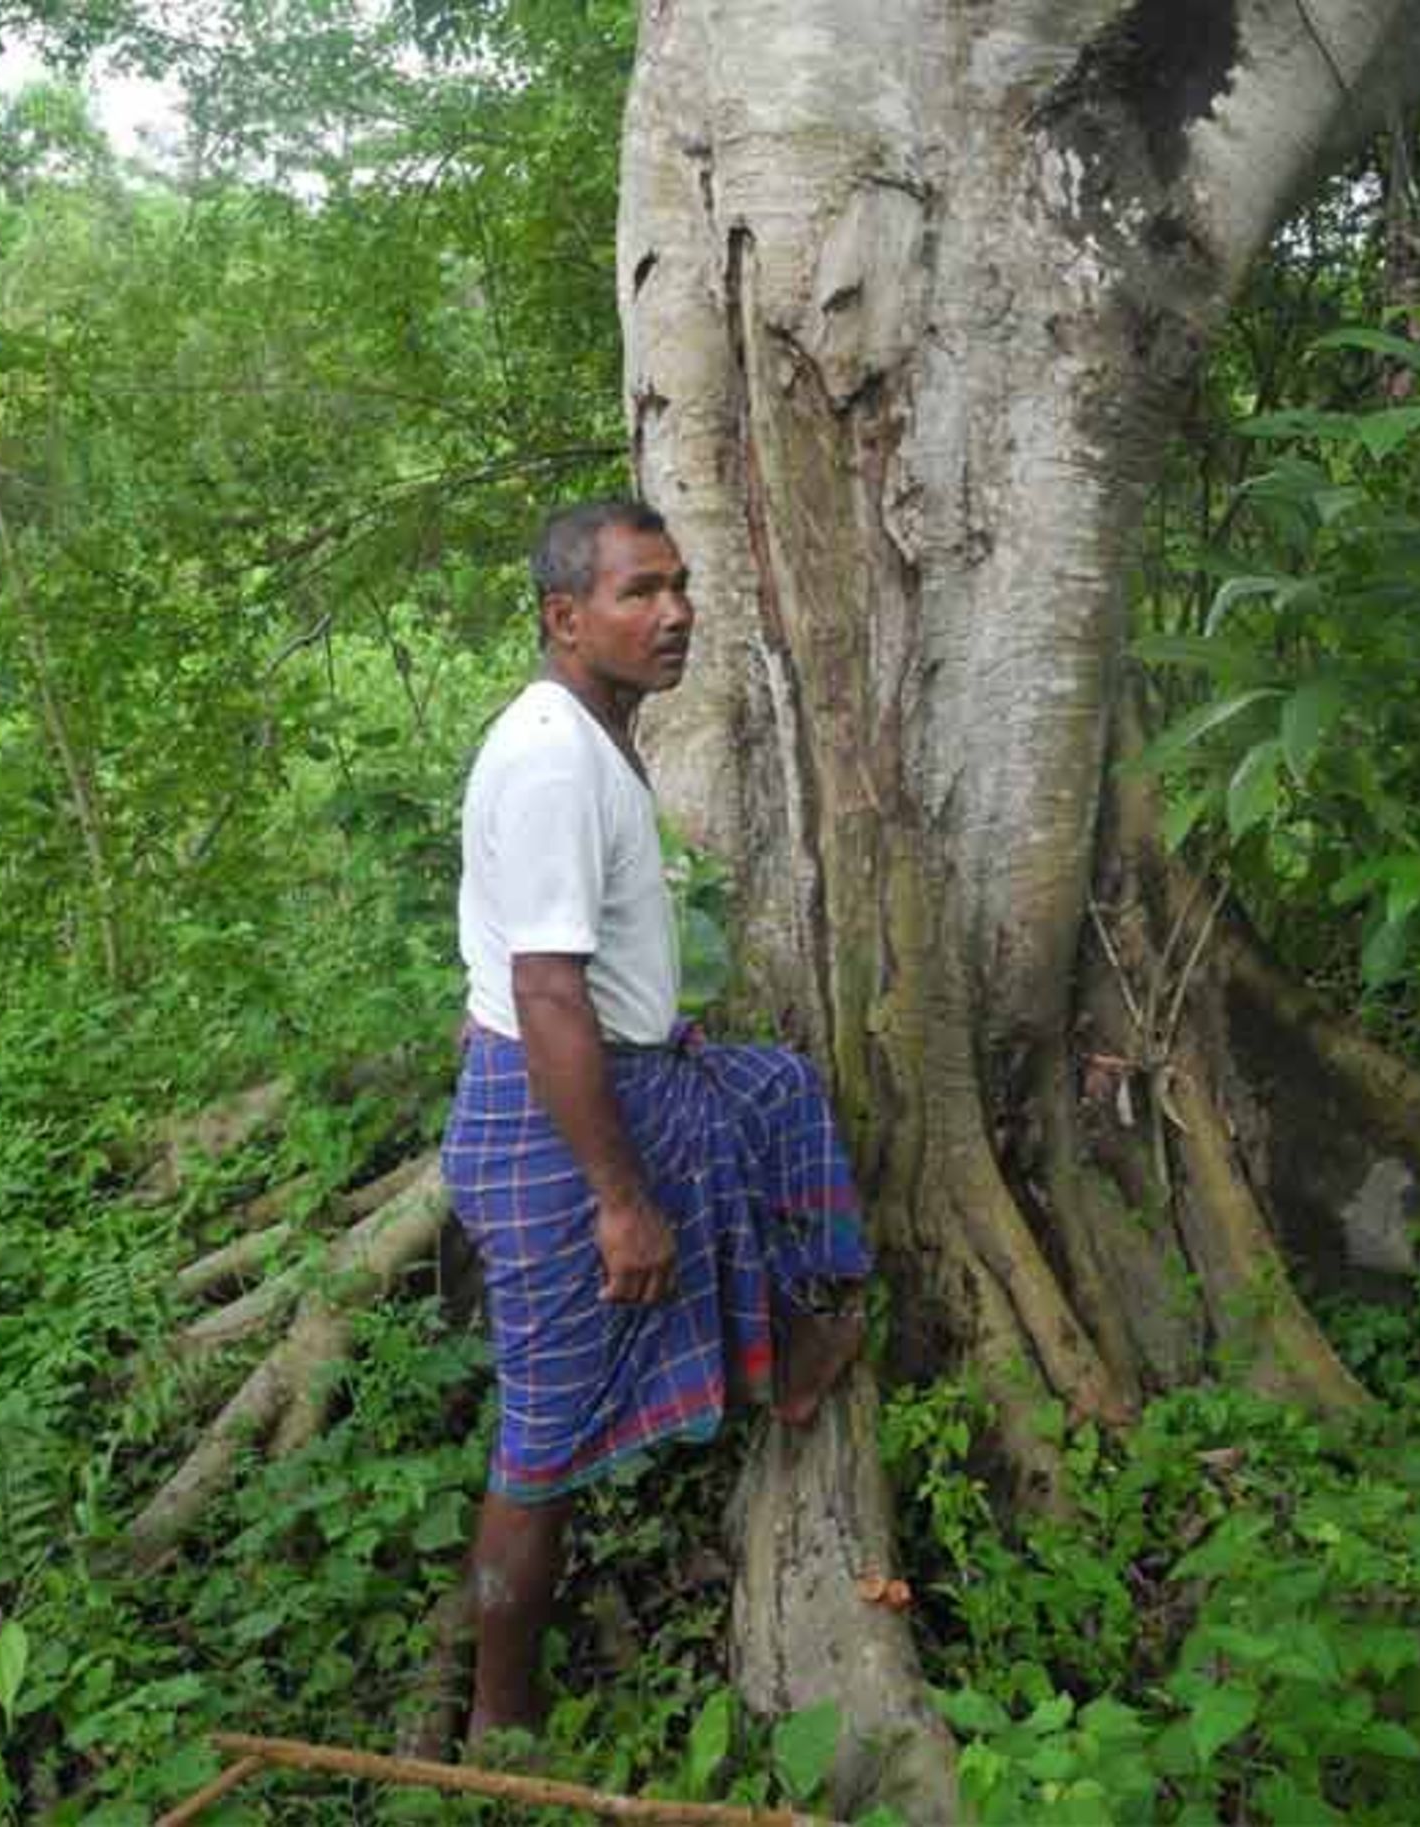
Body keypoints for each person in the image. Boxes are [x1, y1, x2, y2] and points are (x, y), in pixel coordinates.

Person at [440, 498, 871, 1742]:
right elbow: (546, 987)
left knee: (774, 1093)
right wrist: (620, 1201)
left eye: (679, 585)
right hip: (562, 1123)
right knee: (540, 1448)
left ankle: (786, 1344)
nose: (674, 612)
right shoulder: (551, 759)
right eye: (639, 592)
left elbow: (516, 962)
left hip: (616, 1077)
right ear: (564, 617)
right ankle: (496, 1716)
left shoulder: (594, 730)